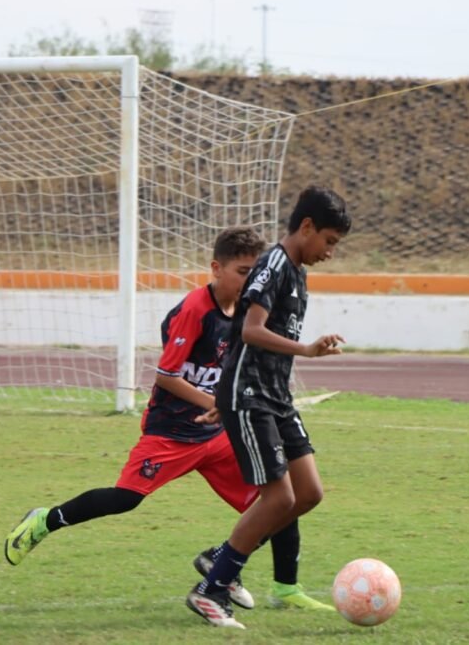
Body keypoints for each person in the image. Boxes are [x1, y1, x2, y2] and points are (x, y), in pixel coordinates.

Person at [3, 227, 333, 611]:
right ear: (216, 268)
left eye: (254, 273)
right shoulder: (194, 310)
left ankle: (277, 585)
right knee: (125, 498)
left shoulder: (245, 315)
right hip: (172, 431)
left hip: (215, 433)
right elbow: (166, 376)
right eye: (242, 272)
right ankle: (45, 520)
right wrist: (217, 400)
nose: (250, 281)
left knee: (275, 500)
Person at [185, 186, 352, 629]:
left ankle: (220, 558)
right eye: (330, 242)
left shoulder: (297, 272)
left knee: (309, 493)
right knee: (278, 497)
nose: (330, 252)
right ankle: (212, 589)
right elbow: (250, 331)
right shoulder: (274, 264)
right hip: (252, 397)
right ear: (307, 227)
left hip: (276, 397)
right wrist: (307, 350)